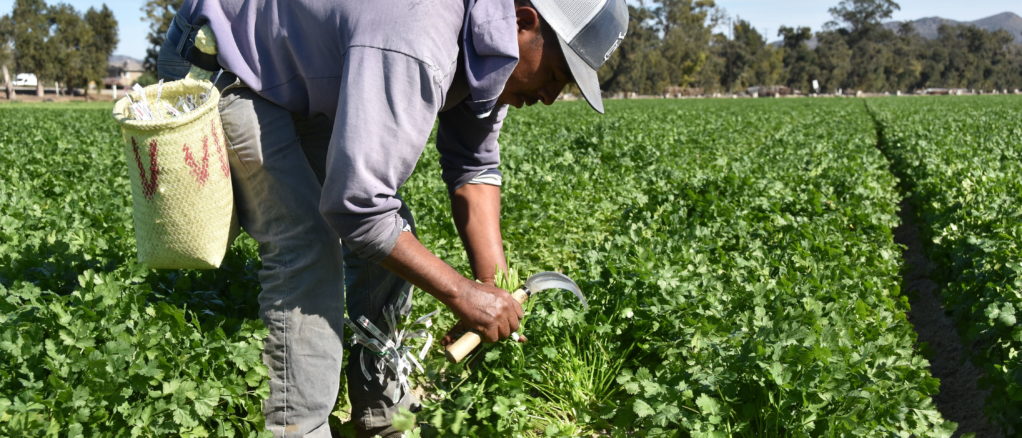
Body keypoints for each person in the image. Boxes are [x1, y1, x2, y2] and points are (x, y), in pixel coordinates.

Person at [158, 0, 628, 436]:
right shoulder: (418, 37)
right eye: (557, 73)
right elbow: (355, 206)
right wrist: (461, 293)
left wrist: (491, 288)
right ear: (522, 23)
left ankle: (384, 419)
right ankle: (300, 428)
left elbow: (473, 167)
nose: (550, 96)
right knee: (307, 242)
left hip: (297, 73)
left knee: (394, 233)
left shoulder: (491, 53)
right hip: (224, 61)